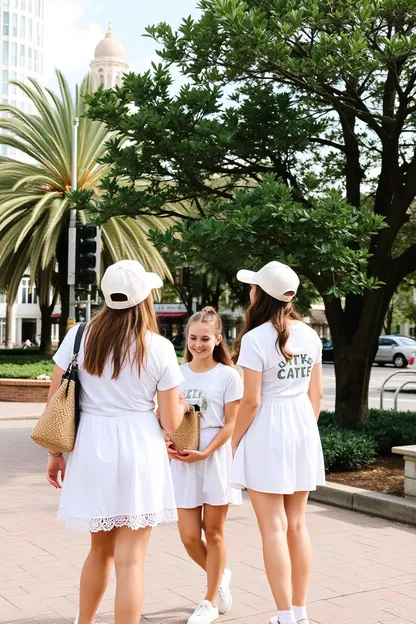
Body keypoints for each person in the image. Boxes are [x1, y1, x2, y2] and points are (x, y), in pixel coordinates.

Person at [45, 260, 188, 624]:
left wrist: (55, 453)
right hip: (140, 447)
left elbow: (55, 401)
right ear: (145, 299)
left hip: (92, 445)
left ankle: (86, 622)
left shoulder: (79, 336)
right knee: (132, 559)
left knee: (99, 551)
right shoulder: (156, 347)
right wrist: (177, 407)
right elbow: (171, 422)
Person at [229, 262, 325, 624]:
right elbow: (316, 394)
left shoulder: (255, 339)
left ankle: (285, 615)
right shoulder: (311, 335)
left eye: (253, 287)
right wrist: (302, 430)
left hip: (267, 429)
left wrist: (235, 443)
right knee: (297, 525)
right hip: (301, 425)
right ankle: (299, 612)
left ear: (259, 295)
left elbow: (251, 402)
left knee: (273, 527)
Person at [168, 307, 243, 624]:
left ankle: (210, 601)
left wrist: (206, 452)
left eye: (204, 338)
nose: (198, 344)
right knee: (187, 536)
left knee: (213, 533)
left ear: (217, 339)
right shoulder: (175, 373)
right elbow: (164, 417)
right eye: (193, 337)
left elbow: (230, 426)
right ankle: (220, 573)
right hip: (183, 460)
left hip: (214, 459)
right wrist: (167, 440)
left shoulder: (228, 375)